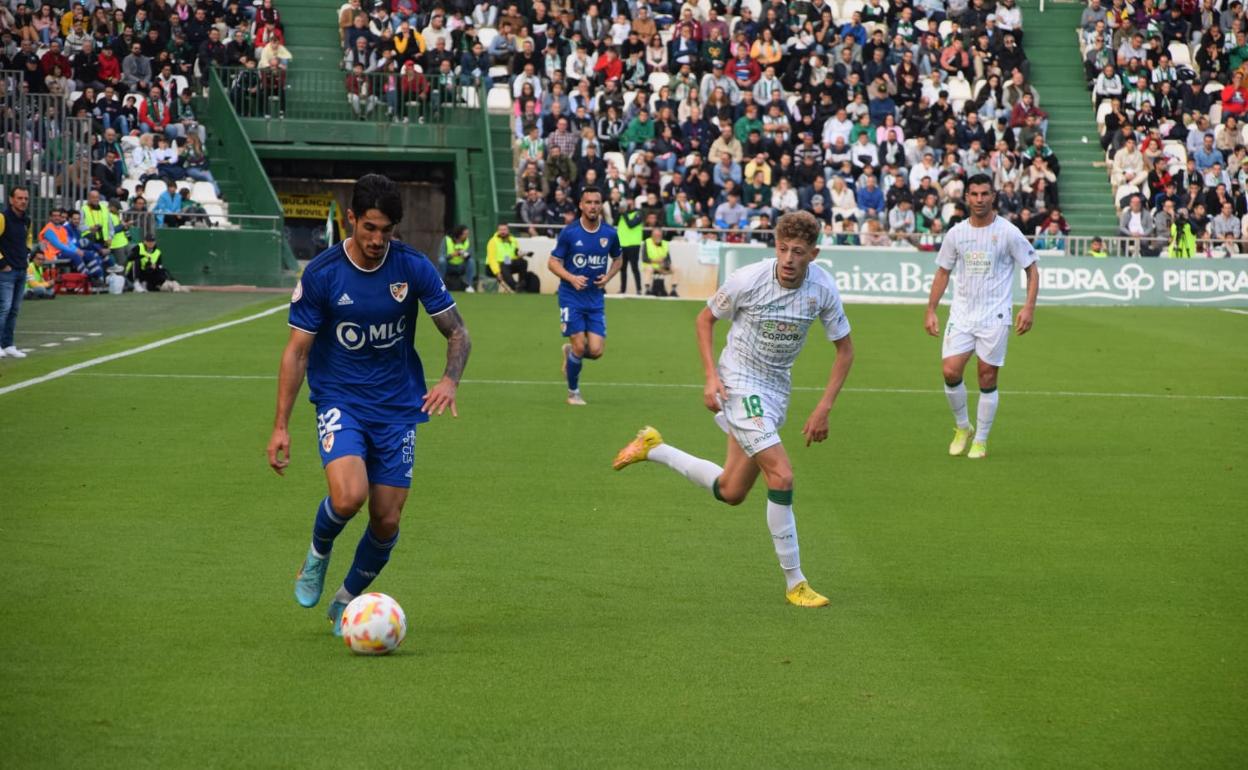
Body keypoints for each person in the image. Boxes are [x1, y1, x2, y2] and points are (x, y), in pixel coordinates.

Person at [612, 211, 855, 607]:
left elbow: (845, 350)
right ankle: (795, 582)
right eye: (782, 249)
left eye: (798, 252)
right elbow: (705, 320)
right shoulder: (749, 279)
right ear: (774, 247)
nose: (789, 259)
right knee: (782, 475)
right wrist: (712, 377)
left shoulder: (822, 289)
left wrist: (824, 407)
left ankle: (653, 448)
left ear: (814, 253)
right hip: (739, 382)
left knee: (731, 491)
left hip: (775, 389)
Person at [267, 174, 471, 636]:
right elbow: (297, 351)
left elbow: (458, 331)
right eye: (370, 228)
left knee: (387, 518)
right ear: (352, 220)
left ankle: (345, 601)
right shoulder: (322, 274)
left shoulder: (412, 267)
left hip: (399, 405)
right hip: (341, 398)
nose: (379, 240)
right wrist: (281, 425)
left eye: (387, 230)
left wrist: (449, 380)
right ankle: (317, 556)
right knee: (349, 496)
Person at [923, 174, 1039, 460]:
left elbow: (1032, 268)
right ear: (966, 198)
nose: (979, 199)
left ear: (993, 196)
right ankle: (963, 427)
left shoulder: (1009, 232)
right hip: (962, 314)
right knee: (950, 370)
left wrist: (1028, 307)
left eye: (984, 194)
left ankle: (982, 440)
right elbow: (943, 271)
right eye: (973, 194)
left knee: (986, 376)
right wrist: (930, 310)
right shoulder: (956, 234)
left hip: (995, 316)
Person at [548, 186, 623, 406]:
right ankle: (573, 393)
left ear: (601, 205)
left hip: (595, 298)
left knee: (596, 351)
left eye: (597, 202)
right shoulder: (570, 233)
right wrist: (571, 277)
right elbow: (552, 262)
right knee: (581, 347)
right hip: (571, 297)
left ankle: (570, 353)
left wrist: (608, 277)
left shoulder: (609, 233)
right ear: (581, 205)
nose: (593, 206)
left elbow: (618, 259)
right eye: (588, 202)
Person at [0, 186, 33, 358]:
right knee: (3, 308)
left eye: (25, 198)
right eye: (19, 198)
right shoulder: (2, 218)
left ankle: (8, 344)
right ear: (11, 199)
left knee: (14, 309)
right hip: (6, 271)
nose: (23, 201)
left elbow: (28, 238)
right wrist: (2, 263)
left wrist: (27, 254)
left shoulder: (26, 220)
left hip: (20, 268)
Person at [437, 224, 475, 291]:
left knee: (471, 262)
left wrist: (465, 255)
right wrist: (452, 255)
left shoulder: (467, 241)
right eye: (465, 234)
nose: (467, 236)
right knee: (441, 261)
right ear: (459, 234)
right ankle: (439, 285)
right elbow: (441, 256)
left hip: (460, 266)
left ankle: (469, 286)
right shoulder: (446, 240)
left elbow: (470, 254)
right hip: (449, 266)